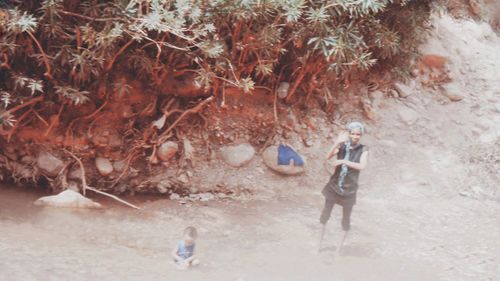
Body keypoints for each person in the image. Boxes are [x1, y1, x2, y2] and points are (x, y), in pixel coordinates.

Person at [320, 122, 369, 233]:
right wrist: (337, 142)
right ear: (349, 134)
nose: (355, 137)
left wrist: (343, 161)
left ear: (361, 135)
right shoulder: (342, 146)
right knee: (325, 213)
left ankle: (339, 250)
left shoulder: (363, 149)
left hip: (350, 188)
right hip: (334, 185)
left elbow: (362, 166)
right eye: (353, 134)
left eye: (358, 134)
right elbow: (327, 157)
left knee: (346, 219)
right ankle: (319, 246)